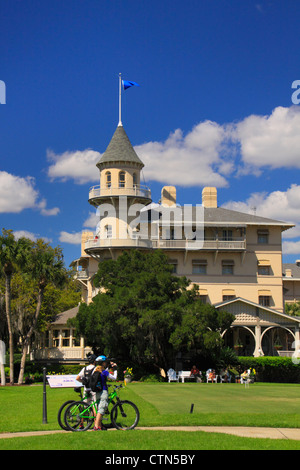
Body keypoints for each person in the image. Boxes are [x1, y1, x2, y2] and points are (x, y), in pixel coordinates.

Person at [93, 355, 118, 431]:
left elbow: (104, 370)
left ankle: (99, 426)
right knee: (102, 409)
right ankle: (96, 426)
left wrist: (110, 366)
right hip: (103, 391)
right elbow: (114, 377)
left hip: (97, 391)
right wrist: (115, 369)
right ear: (103, 363)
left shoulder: (96, 370)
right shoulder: (104, 372)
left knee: (97, 408)